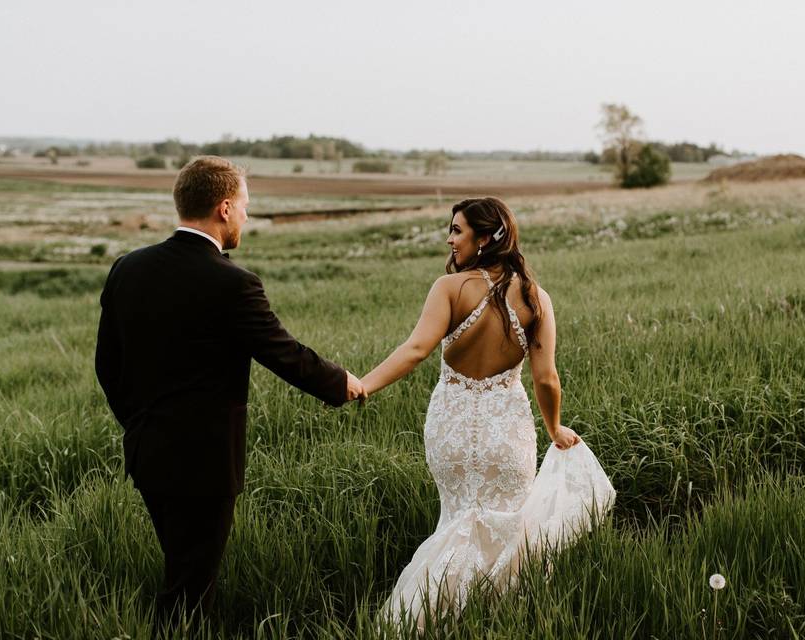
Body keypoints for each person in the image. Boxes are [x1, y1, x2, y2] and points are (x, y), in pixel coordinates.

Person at [94, 156, 365, 625]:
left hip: (147, 453)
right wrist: (341, 383)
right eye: (243, 206)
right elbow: (284, 353)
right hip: (204, 465)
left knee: (182, 570)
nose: (245, 216)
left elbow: (107, 365)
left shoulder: (128, 268)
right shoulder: (232, 282)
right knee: (191, 590)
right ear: (223, 208)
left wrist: (139, 424)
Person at [360, 196, 615, 628]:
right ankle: (501, 617)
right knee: (507, 527)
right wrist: (554, 428)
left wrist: (364, 384)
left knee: (457, 521)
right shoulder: (535, 297)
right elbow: (547, 378)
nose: (449, 238)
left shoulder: (450, 289)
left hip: (452, 428)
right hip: (507, 432)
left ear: (484, 238)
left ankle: (427, 617)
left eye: (457, 230)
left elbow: (417, 349)